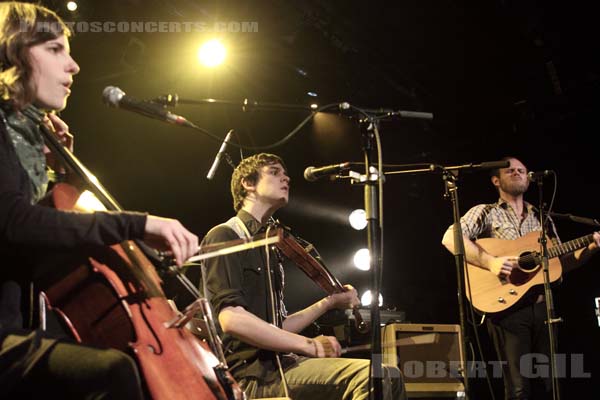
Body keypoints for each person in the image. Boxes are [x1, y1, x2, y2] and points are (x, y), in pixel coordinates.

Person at [0, 3, 199, 398]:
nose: (73, 66)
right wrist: (136, 223)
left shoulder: (26, 137)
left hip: (19, 326)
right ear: (15, 51)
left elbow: (41, 238)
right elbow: (13, 221)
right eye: (55, 50)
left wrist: (59, 174)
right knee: (111, 372)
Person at [200, 153, 406, 399]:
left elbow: (278, 326)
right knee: (380, 377)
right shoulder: (225, 236)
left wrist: (329, 302)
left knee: (386, 376)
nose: (286, 177)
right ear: (248, 183)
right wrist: (308, 345)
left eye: (285, 173)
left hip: (282, 366)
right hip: (253, 377)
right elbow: (232, 319)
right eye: (274, 172)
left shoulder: (268, 248)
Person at [441, 156, 600, 399]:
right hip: (507, 309)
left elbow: (560, 264)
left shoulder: (542, 218)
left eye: (522, 170)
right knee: (518, 388)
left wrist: (591, 248)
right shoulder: (486, 212)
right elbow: (450, 237)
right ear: (496, 180)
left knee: (550, 384)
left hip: (543, 307)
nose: (517, 173)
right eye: (510, 171)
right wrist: (491, 262)